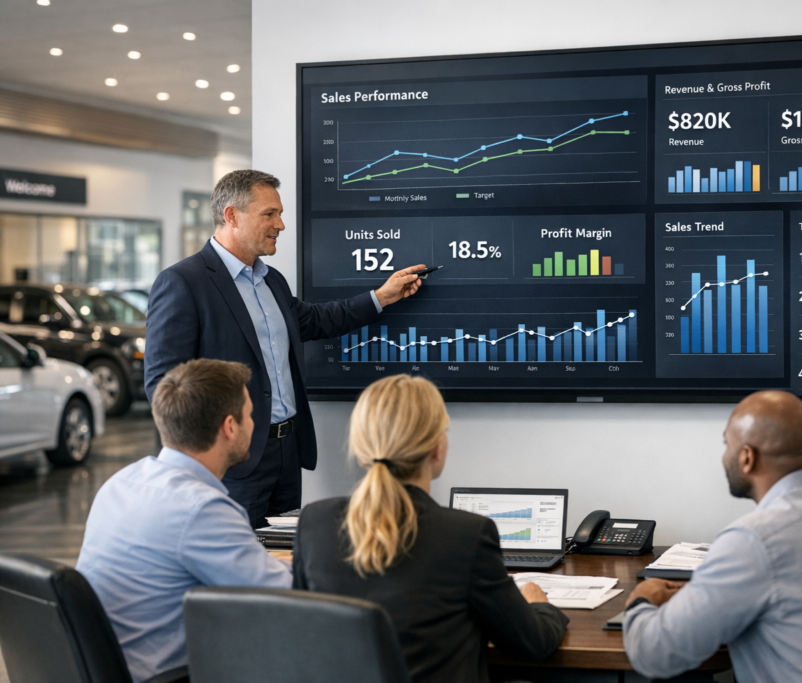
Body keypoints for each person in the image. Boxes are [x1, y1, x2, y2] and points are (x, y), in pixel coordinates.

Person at [145, 169, 426, 528]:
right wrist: (214, 449)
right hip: (232, 461)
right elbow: (163, 385)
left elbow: (316, 320)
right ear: (232, 216)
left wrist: (381, 297)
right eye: (269, 214)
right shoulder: (183, 282)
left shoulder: (271, 281)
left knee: (284, 555)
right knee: (238, 558)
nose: (280, 224)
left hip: (287, 454)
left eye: (279, 214)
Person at [622, 391, 802, 683]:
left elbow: (655, 653)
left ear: (747, 457)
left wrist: (643, 598)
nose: (724, 456)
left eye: (727, 445)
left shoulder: (754, 540)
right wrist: (707, 592)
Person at [292, 375, 568, 683]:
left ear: (361, 449)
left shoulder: (314, 523)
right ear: (437, 449)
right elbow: (532, 644)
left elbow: (301, 635)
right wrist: (540, 605)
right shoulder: (466, 535)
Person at [77, 359, 293, 683]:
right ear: (230, 427)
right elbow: (284, 595)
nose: (254, 423)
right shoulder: (201, 508)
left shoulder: (120, 483)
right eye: (250, 414)